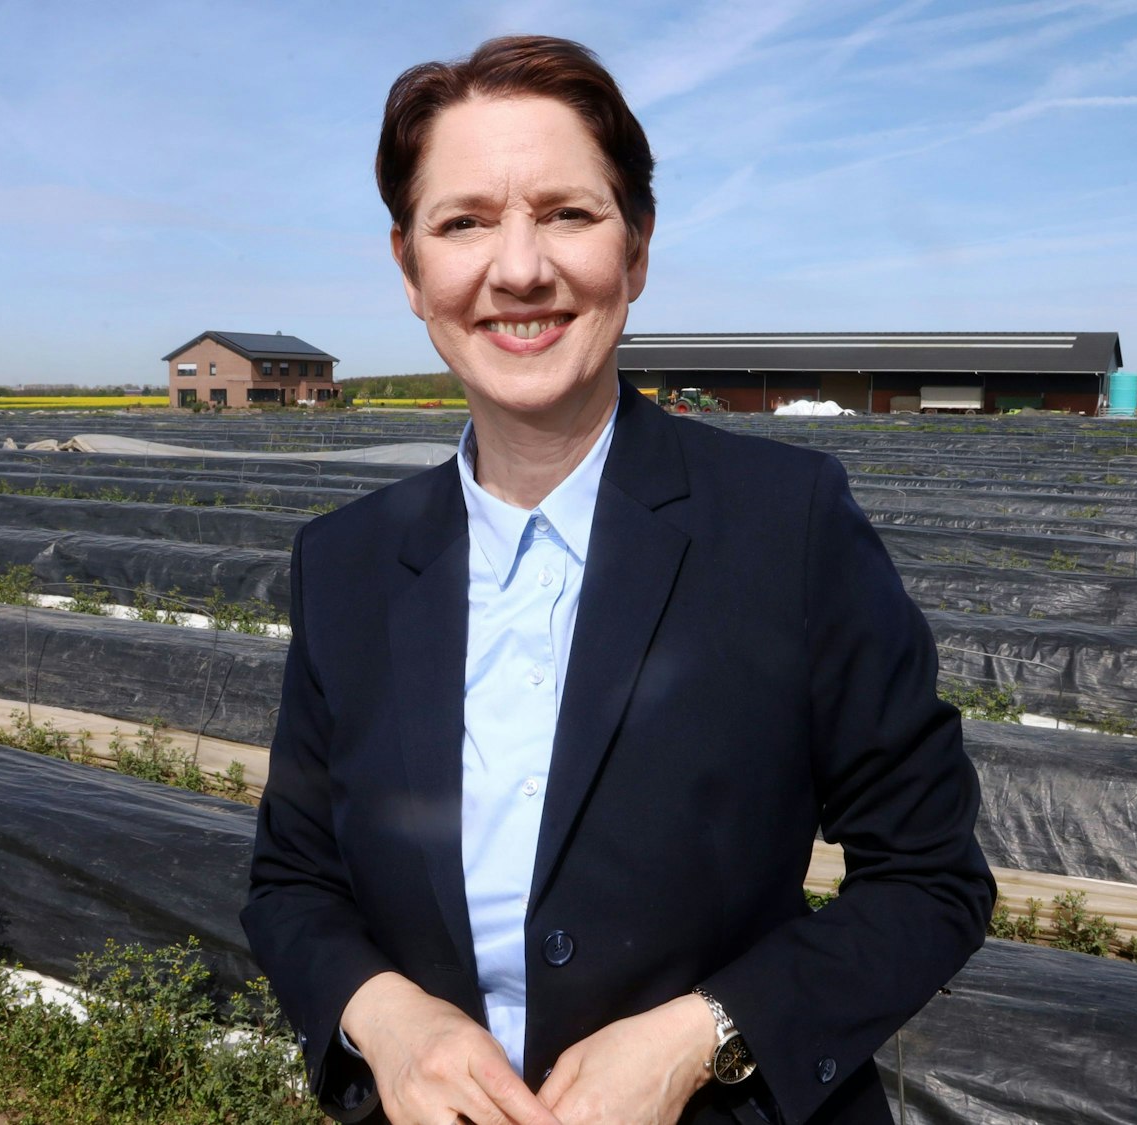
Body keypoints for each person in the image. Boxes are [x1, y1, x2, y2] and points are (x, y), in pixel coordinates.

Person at [241, 35, 993, 1125]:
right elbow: (291, 883)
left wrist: (705, 1036)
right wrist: (387, 1017)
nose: (518, 268)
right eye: (464, 222)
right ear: (410, 271)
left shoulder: (784, 526)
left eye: (566, 213)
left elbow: (930, 879)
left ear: (634, 250)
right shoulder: (348, 563)